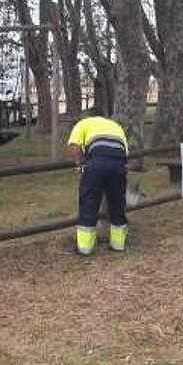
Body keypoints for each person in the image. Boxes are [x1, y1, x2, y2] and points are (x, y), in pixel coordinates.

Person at [67, 109, 129, 255]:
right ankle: (118, 244)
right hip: (118, 163)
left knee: (89, 201)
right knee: (117, 202)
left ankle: (84, 248)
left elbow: (74, 145)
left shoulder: (83, 123)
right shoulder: (116, 126)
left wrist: (80, 163)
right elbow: (125, 152)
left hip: (96, 162)